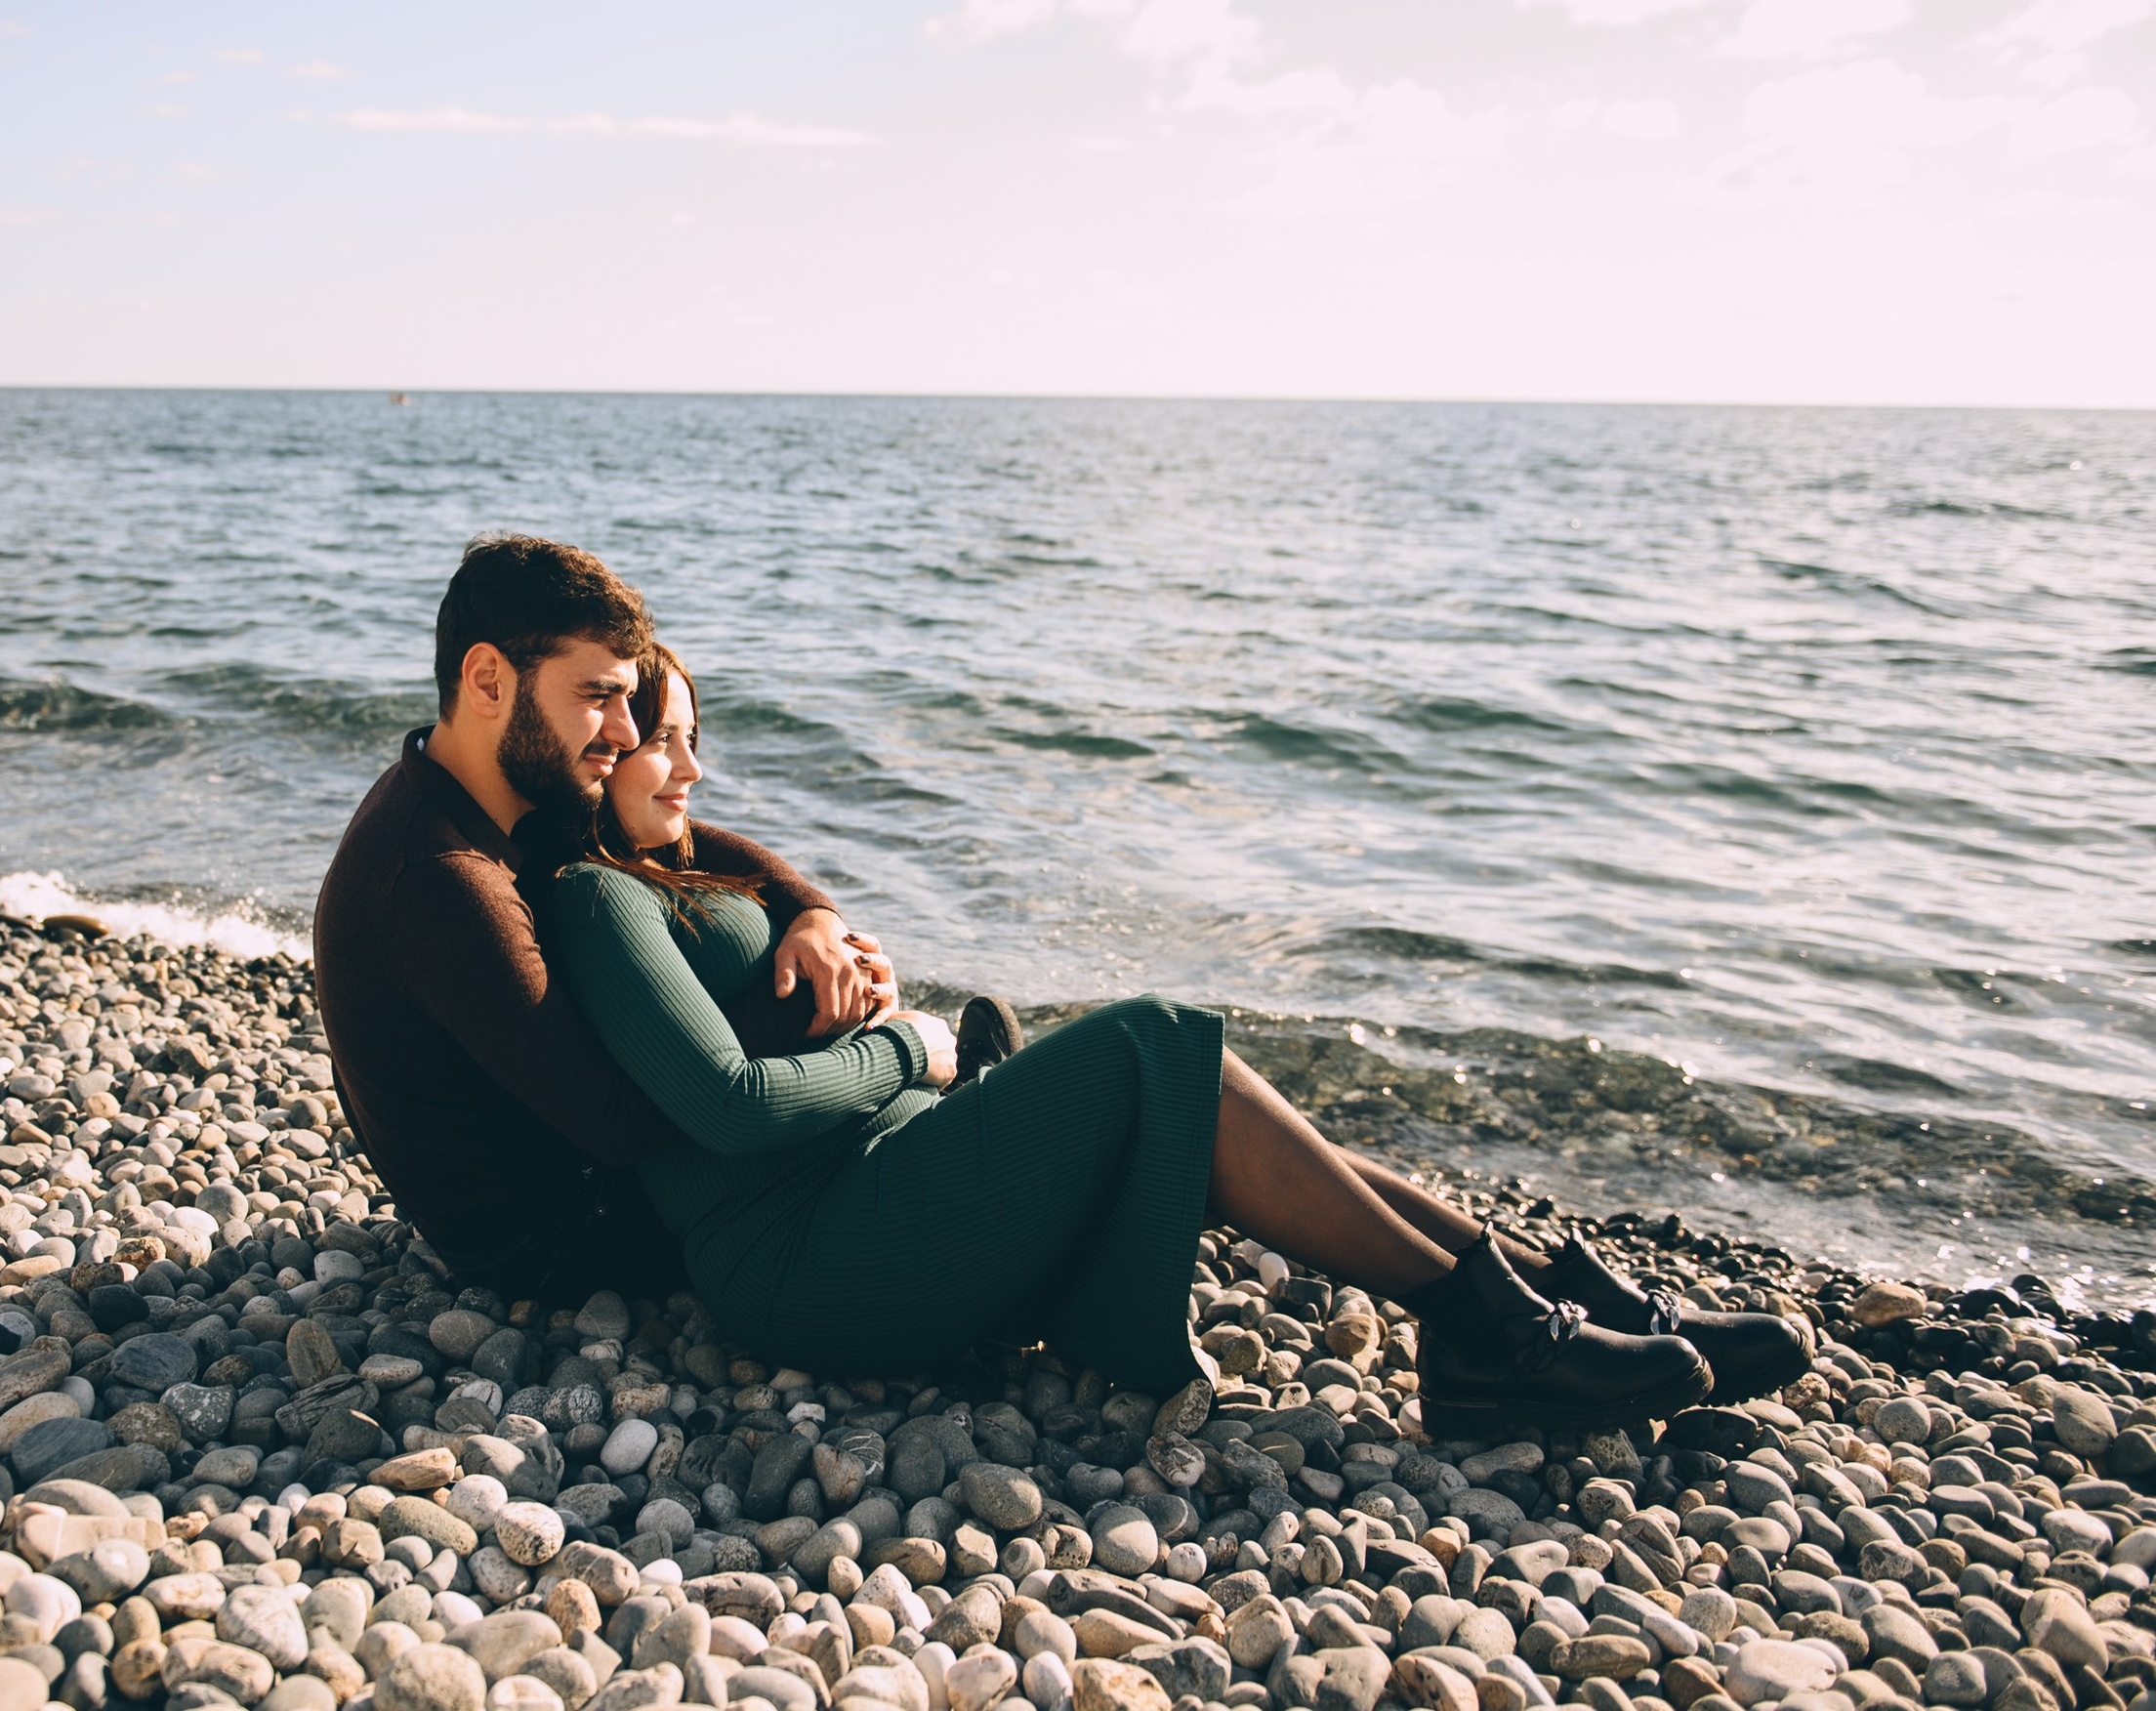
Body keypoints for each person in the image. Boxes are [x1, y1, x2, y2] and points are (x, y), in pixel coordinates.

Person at [537, 637, 1815, 1434]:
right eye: (659, 738)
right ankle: (1501, 1331)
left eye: (700, 739)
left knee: (1179, 1092)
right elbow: (730, 1111)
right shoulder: (599, 898)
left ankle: (1521, 1293)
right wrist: (908, 1050)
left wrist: (816, 923)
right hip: (809, 1260)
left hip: (887, 1186)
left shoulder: (692, 870)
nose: (690, 766)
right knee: (1155, 1041)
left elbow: (750, 918)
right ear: (599, 745)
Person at [311, 534, 899, 1302]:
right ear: (488, 679)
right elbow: (622, 1119)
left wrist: (812, 915)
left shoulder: (465, 789)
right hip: (565, 1240)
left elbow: (671, 832)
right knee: (883, 1151)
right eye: (597, 697)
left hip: (573, 1177)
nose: (624, 733)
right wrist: (830, 1018)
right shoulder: (441, 879)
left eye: (628, 699)